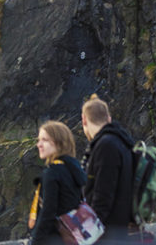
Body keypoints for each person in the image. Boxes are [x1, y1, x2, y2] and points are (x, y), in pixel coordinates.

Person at [81, 96, 136, 240]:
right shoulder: (122, 142)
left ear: (84, 120)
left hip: (106, 234)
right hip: (119, 231)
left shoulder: (106, 146)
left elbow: (102, 196)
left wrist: (88, 235)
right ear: (109, 118)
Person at [28, 120, 86, 245]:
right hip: (71, 237)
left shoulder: (52, 173)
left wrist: (35, 242)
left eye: (44, 140)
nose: (39, 144)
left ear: (59, 143)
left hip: (53, 239)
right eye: (39, 140)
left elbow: (48, 213)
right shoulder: (73, 169)